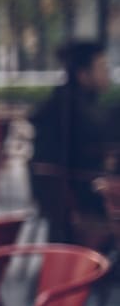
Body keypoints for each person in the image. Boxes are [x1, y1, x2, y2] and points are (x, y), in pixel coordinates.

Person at [29, 41, 117, 245]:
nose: (108, 73)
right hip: (80, 198)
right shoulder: (75, 109)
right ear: (83, 74)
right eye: (103, 67)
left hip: (58, 196)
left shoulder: (61, 101)